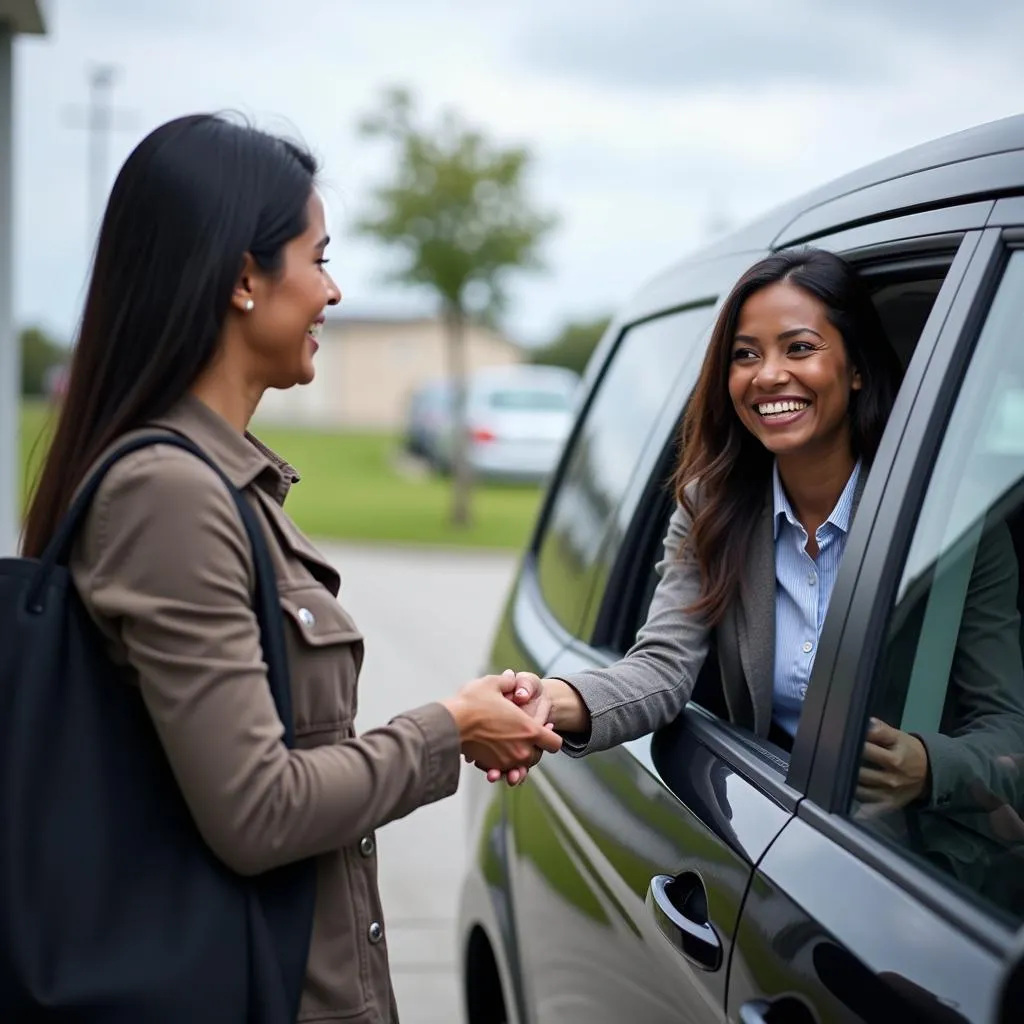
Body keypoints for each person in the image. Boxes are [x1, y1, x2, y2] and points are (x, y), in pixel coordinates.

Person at [20, 113, 561, 1023]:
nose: (334, 291)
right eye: (318, 258)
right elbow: (259, 810)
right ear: (243, 278)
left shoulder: (222, 480)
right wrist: (447, 729)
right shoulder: (171, 494)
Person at [494, 247, 1024, 819]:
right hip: (775, 826)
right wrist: (549, 699)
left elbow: (1009, 729)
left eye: (800, 348)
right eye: (745, 355)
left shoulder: (955, 527)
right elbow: (661, 669)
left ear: (857, 368)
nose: (768, 375)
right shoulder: (710, 508)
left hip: (914, 860)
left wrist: (928, 765)